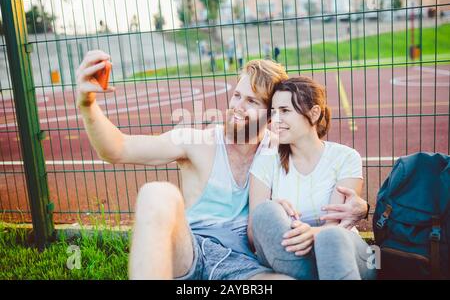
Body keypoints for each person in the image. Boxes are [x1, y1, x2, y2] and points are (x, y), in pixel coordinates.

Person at [75, 51, 370, 280]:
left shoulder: (277, 150)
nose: (238, 106)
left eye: (252, 101)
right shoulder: (196, 141)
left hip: (243, 265)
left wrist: (361, 206)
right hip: (191, 251)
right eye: (237, 95)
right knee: (157, 193)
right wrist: (87, 104)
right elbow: (118, 149)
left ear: (271, 116)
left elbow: (320, 162)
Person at [248, 76, 376, 280]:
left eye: (285, 111)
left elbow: (334, 225)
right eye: (273, 112)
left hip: (344, 256)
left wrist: (312, 234)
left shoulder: (345, 157)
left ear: (314, 113)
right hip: (291, 255)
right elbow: (254, 235)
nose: (275, 120)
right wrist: (276, 207)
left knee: (330, 237)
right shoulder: (266, 160)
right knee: (265, 211)